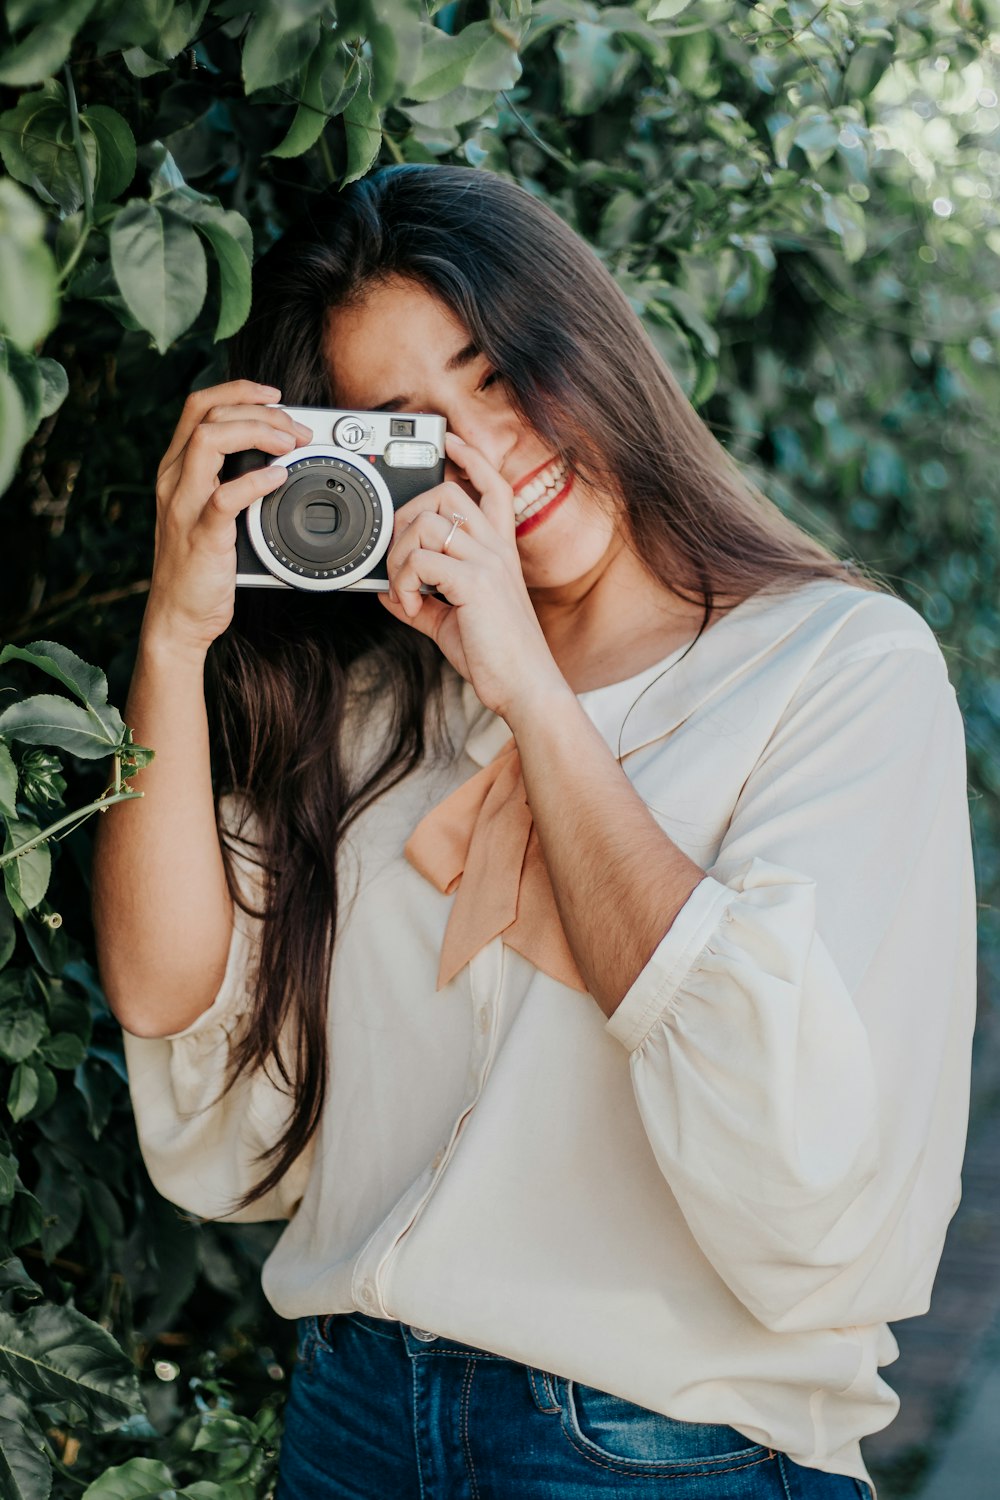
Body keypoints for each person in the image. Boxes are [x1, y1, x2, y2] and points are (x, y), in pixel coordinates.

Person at [92, 165, 977, 1500]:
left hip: (660, 1451)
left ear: (586, 338)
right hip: (354, 1423)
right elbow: (177, 1003)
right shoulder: (384, 709)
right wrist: (174, 633)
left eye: (496, 373)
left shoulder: (836, 667)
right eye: (406, 427)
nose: (484, 451)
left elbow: (810, 1161)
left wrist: (526, 685)